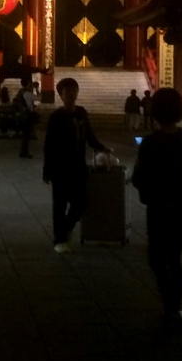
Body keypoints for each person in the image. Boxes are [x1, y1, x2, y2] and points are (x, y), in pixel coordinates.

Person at [131, 87, 182, 335]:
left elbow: (139, 176)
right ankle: (176, 308)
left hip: (159, 207)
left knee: (157, 259)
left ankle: (171, 307)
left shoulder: (150, 142)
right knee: (174, 258)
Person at [43, 77, 110, 252]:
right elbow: (49, 145)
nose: (71, 94)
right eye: (67, 91)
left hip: (78, 166)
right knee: (60, 205)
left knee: (81, 202)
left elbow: (89, 136)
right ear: (61, 94)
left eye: (74, 90)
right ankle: (59, 240)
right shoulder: (56, 117)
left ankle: (65, 228)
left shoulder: (81, 113)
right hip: (60, 167)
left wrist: (102, 147)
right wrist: (47, 170)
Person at [16, 80, 37, 159]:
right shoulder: (26, 92)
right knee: (26, 135)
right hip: (26, 115)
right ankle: (24, 151)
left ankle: (23, 151)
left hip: (22, 114)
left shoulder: (20, 92)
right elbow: (39, 98)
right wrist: (36, 89)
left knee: (25, 135)